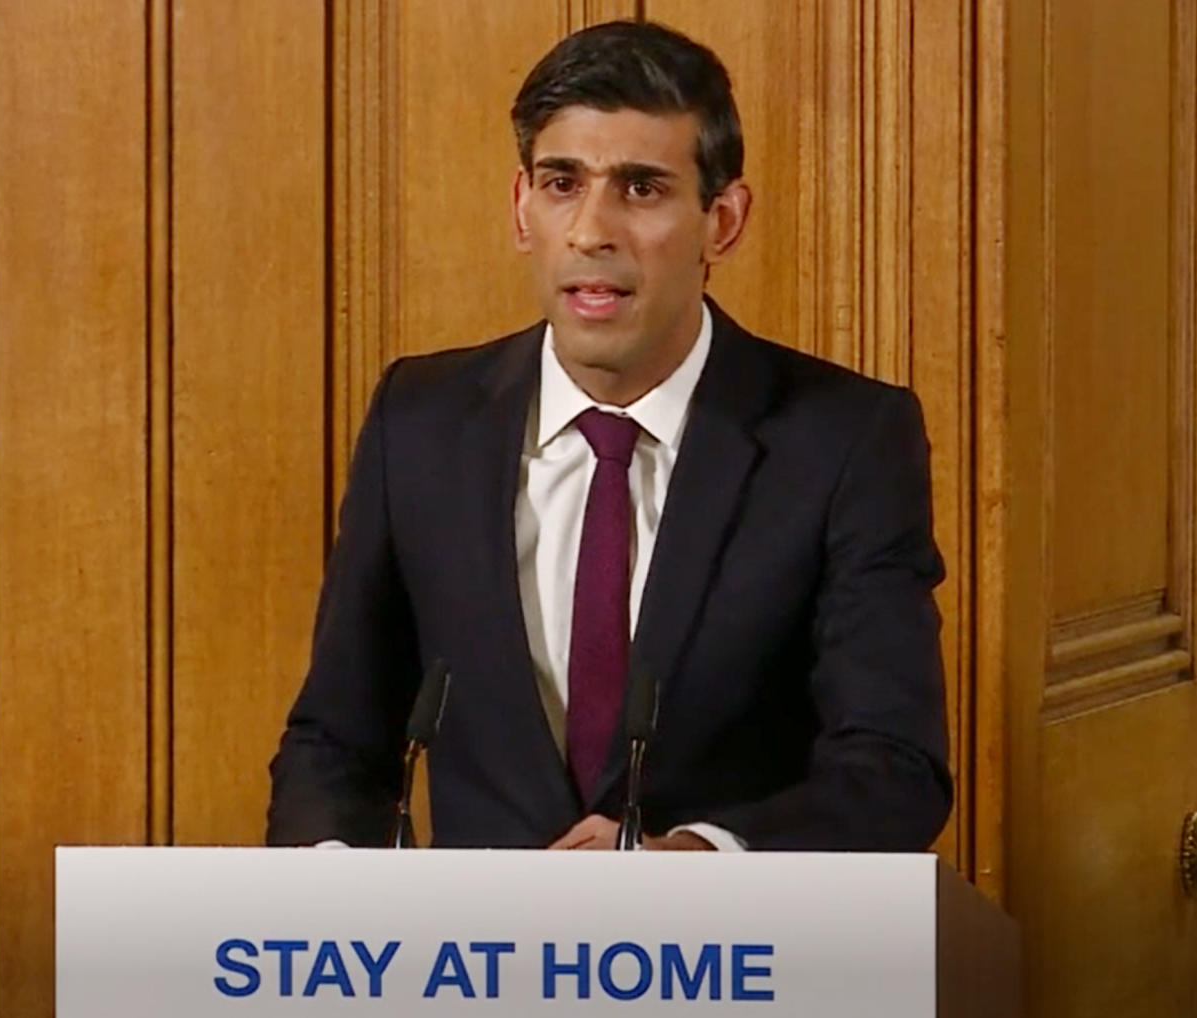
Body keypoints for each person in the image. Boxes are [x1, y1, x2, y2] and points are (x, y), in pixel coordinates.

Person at [266, 20, 951, 852]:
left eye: (640, 188)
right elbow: (335, 740)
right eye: (562, 183)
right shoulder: (420, 422)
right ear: (523, 209)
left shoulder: (843, 439)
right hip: (463, 969)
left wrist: (701, 859)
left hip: (730, 964)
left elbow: (891, 768)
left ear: (721, 222)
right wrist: (331, 893)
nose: (592, 231)